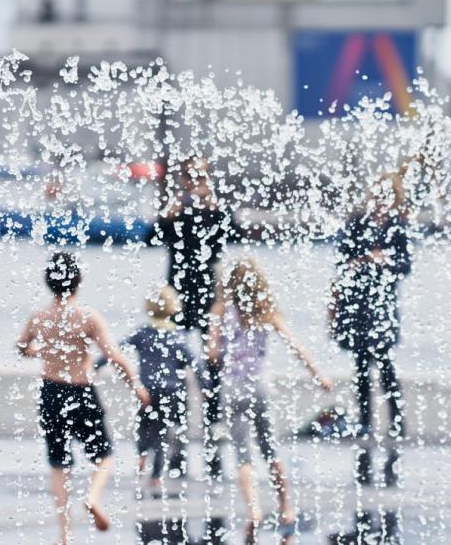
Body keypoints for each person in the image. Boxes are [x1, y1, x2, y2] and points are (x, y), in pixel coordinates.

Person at [16, 252, 151, 545]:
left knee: (58, 463)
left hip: (50, 392)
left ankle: (65, 534)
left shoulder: (40, 317)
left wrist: (41, 351)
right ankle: (91, 498)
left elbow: (21, 346)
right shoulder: (87, 317)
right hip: (81, 391)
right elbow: (114, 356)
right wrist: (136, 385)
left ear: (48, 282)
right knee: (104, 456)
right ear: (79, 281)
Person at [209, 258, 334, 544]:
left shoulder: (220, 311)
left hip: (233, 389)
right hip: (261, 388)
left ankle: (254, 511)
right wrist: (318, 376)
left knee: (242, 454)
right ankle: (286, 508)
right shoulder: (267, 312)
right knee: (270, 449)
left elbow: (212, 354)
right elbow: (296, 346)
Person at [151, 157, 233, 480]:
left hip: (209, 298)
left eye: (200, 175)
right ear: (182, 179)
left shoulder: (215, 211)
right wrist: (169, 211)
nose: (195, 181)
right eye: (190, 175)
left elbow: (227, 240)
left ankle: (213, 433)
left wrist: (213, 206)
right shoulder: (177, 210)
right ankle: (178, 436)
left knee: (212, 367)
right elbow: (152, 237)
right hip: (177, 300)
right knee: (177, 368)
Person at [330, 172, 412, 488]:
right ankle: (366, 422)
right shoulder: (357, 223)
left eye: (386, 194)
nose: (379, 199)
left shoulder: (395, 228)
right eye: (377, 193)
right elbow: (340, 260)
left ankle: (396, 421)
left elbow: (405, 265)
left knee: (386, 364)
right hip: (358, 304)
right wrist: (359, 262)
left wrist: (384, 260)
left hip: (383, 306)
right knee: (362, 367)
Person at [119, 285, 195, 497]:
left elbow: (115, 350)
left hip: (147, 390)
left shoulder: (143, 333)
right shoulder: (178, 336)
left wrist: (93, 367)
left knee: (144, 427)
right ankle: (155, 476)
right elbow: (195, 363)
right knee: (162, 433)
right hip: (171, 391)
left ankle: (141, 457)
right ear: (173, 308)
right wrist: (207, 386)